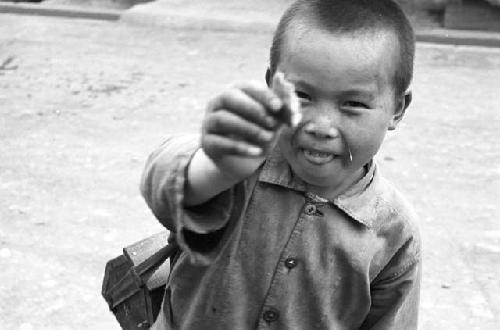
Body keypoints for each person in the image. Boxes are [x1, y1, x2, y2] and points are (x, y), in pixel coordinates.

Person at [140, 0, 421, 328]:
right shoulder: (241, 164)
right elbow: (162, 175)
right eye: (302, 96)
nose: (320, 125)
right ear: (273, 85)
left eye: (354, 104)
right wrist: (215, 170)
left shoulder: (395, 232)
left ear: (398, 109)